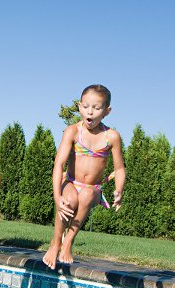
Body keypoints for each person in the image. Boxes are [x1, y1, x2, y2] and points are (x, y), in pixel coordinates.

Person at [42, 84, 125, 270]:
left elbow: (119, 169)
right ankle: (55, 245)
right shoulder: (72, 131)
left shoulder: (111, 136)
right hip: (71, 181)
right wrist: (58, 197)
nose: (90, 112)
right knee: (69, 200)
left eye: (96, 108)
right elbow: (59, 164)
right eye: (86, 107)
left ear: (107, 111)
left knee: (87, 195)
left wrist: (119, 189)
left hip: (93, 189)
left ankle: (68, 242)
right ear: (79, 106)